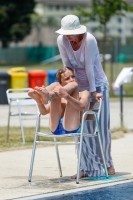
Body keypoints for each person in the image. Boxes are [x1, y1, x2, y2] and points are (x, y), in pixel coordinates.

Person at [55, 14, 115, 178]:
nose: (68, 37)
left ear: (79, 31)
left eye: (71, 34)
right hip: (79, 88)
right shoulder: (62, 40)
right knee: (81, 128)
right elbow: (67, 66)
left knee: (101, 127)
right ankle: (83, 166)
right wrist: (69, 88)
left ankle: (107, 163)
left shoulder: (89, 40)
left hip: (97, 85)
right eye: (66, 34)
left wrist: (94, 90)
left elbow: (89, 67)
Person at [28, 67, 90, 136]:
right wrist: (39, 102)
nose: (72, 80)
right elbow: (44, 112)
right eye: (67, 79)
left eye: (73, 76)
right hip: (55, 129)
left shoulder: (84, 92)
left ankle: (47, 95)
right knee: (55, 85)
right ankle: (42, 96)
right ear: (62, 83)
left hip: (73, 129)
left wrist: (66, 96)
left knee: (74, 85)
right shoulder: (58, 92)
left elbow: (81, 107)